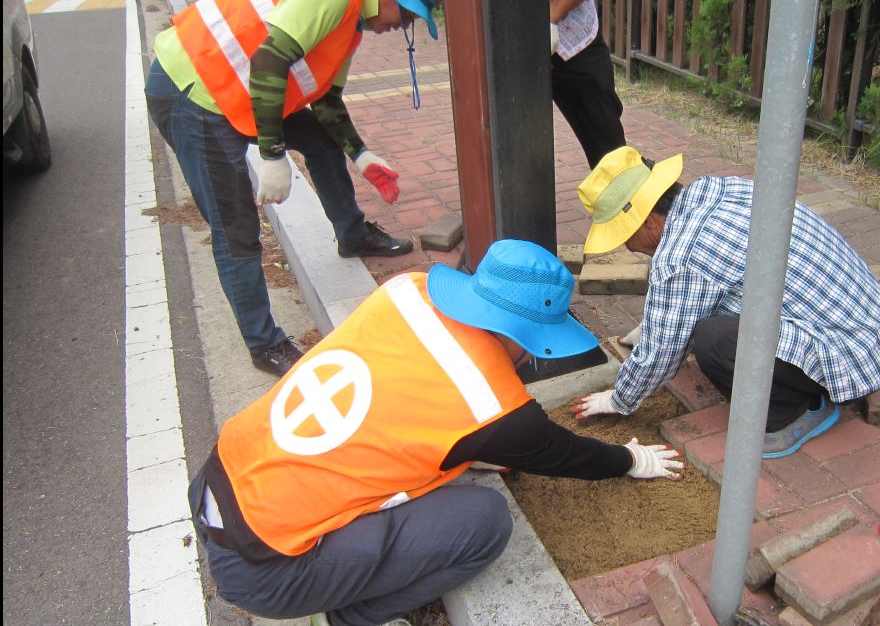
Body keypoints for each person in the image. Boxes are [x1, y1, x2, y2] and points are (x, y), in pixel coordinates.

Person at [187, 239, 682, 626]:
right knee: (484, 522)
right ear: (522, 336)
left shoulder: (408, 289)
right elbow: (566, 455)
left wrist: (472, 447)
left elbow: (401, 396)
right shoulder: (497, 411)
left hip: (219, 475)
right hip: (266, 568)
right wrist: (632, 460)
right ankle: (354, 617)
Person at [145, 0, 442, 376]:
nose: (406, 25)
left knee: (322, 142)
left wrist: (360, 154)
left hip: (235, 91)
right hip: (194, 90)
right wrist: (272, 154)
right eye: (410, 12)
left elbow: (326, 102)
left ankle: (352, 233)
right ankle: (263, 344)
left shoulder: (351, 23)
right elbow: (268, 61)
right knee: (236, 226)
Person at [570, 147, 880, 459]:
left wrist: (619, 399)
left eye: (625, 236)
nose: (628, 248)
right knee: (709, 322)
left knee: (714, 340)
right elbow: (714, 284)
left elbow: (662, 352)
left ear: (647, 222)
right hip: (869, 323)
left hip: (849, 358)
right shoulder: (719, 189)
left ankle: (795, 410)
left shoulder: (681, 258)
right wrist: (654, 327)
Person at [430, 0, 626, 168]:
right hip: (504, 41)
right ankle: (523, 209)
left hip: (572, 38)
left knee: (608, 144)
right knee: (507, 145)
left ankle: (626, 206)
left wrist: (550, 19)